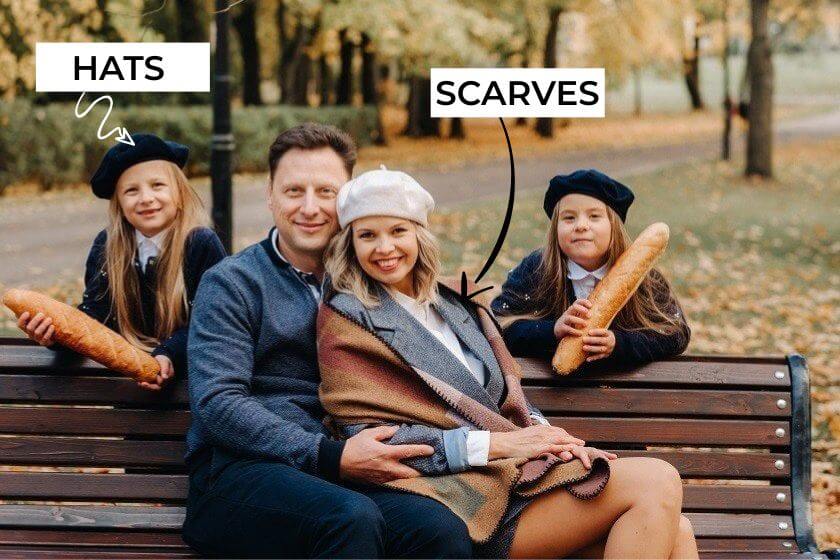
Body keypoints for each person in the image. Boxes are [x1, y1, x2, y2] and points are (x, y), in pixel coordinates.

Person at [317, 168, 699, 558]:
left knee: (677, 530)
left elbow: (504, 396)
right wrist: (498, 444)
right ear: (350, 245)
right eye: (368, 235)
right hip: (458, 496)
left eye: (398, 231)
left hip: (518, 476)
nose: (384, 247)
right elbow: (367, 435)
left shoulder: (453, 304)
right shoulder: (348, 318)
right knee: (657, 480)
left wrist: (551, 437)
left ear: (419, 234)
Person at [182, 124, 472, 558]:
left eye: (326, 192)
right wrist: (328, 454)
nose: (310, 207)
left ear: (350, 199)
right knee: (349, 518)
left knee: (439, 529)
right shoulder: (233, 283)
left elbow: (451, 335)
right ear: (270, 195)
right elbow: (218, 403)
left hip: (341, 468)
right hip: (240, 472)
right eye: (294, 190)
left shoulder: (373, 279)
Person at [17, 133, 225, 390]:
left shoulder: (200, 243)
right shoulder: (107, 246)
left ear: (180, 193)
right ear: (119, 204)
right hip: (132, 385)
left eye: (157, 185)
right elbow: (94, 320)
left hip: (193, 383)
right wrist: (55, 336)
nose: (146, 198)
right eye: (131, 190)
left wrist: (168, 353)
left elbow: (213, 322)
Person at [491, 169, 690, 367]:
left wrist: (620, 343)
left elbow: (677, 333)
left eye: (594, 216)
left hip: (624, 393)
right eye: (569, 218)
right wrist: (551, 330)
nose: (581, 226)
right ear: (555, 229)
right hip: (548, 391)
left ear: (615, 227)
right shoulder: (536, 270)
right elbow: (496, 326)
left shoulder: (645, 278)